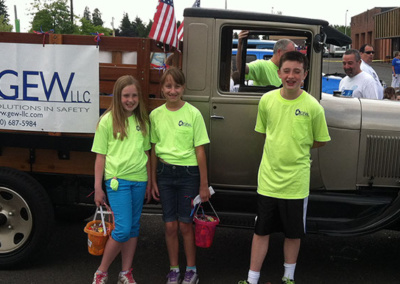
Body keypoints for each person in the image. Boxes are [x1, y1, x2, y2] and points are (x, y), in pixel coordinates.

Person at [238, 51, 331, 284]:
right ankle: (252, 279)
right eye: (286, 71)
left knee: (293, 233)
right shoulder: (267, 100)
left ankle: (288, 278)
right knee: (261, 231)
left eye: (296, 72)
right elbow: (265, 133)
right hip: (268, 180)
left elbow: (320, 140)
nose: (291, 76)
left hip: (296, 183)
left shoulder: (313, 106)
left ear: (305, 75)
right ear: (278, 73)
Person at [150, 67, 211, 284]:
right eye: (168, 86)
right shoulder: (155, 115)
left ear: (183, 88)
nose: (173, 91)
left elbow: (200, 150)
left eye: (177, 86)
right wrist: (153, 180)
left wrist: (204, 185)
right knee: (169, 225)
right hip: (165, 175)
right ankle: (174, 269)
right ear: (162, 89)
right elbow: (153, 150)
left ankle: (191, 270)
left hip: (188, 175)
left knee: (186, 225)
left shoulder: (193, 113)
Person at [91, 75, 152, 284]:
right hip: (117, 181)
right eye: (126, 95)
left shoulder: (142, 120)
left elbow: (147, 153)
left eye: (134, 95)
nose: (130, 100)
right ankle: (101, 272)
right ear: (118, 96)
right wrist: (97, 187)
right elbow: (100, 156)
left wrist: (149, 182)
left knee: (133, 228)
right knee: (123, 228)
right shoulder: (107, 121)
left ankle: (125, 273)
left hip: (139, 180)